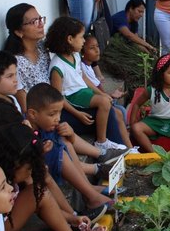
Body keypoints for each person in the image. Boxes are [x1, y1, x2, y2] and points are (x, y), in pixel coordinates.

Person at [0, 124, 108, 231]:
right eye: (29, 168)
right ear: (14, 163)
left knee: (39, 191)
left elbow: (39, 199)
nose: (30, 172)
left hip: (1, 230)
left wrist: (70, 218)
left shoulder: (6, 173)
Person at [3, 3, 125, 145]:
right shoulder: (16, 63)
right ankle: (114, 152)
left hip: (60, 104)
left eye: (41, 19)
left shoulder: (42, 48)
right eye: (34, 22)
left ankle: (125, 151)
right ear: (19, 32)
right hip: (49, 115)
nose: (40, 24)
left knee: (117, 111)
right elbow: (25, 106)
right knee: (111, 113)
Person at [25, 83, 120, 213]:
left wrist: (70, 134)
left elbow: (66, 142)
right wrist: (42, 150)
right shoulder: (26, 131)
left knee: (67, 143)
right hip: (36, 173)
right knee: (60, 152)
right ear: (33, 114)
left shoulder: (44, 125)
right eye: (52, 114)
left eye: (59, 113)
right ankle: (91, 196)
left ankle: (89, 190)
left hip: (49, 166)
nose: (57, 118)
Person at [45, 16, 133, 150]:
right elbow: (58, 97)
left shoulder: (75, 55)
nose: (83, 40)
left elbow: (84, 78)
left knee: (117, 112)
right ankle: (101, 142)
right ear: (69, 39)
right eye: (81, 37)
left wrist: (101, 93)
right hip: (73, 97)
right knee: (104, 103)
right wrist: (77, 113)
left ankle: (129, 148)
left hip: (83, 92)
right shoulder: (57, 66)